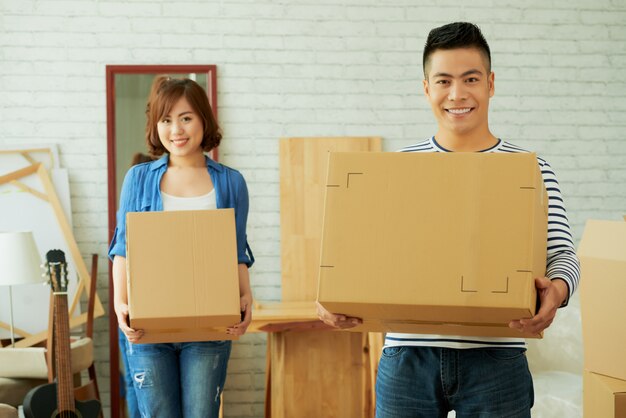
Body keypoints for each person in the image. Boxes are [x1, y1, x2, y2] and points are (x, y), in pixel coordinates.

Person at [317, 22, 580, 418]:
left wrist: (557, 291)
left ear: (490, 84)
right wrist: (334, 298)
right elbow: (360, 256)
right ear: (426, 88)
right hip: (407, 357)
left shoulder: (531, 170)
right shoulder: (397, 169)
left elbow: (562, 253)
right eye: (443, 81)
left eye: (470, 79)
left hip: (497, 358)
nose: (457, 94)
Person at [108, 76, 254, 418]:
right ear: (156, 125)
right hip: (148, 326)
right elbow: (123, 248)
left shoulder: (230, 181)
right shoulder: (138, 178)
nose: (176, 129)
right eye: (166, 119)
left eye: (186, 117)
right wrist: (120, 304)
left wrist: (246, 296)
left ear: (204, 119)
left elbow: (235, 249)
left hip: (209, 327)